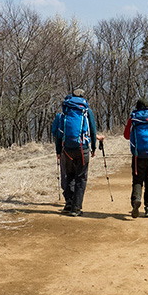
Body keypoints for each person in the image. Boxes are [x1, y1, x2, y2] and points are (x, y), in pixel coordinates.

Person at [51, 88, 103, 217]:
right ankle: (76, 208)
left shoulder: (64, 113)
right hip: (83, 148)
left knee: (69, 175)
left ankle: (69, 204)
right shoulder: (86, 111)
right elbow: (93, 130)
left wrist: (58, 151)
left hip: (66, 149)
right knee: (81, 177)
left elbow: (58, 134)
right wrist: (94, 148)